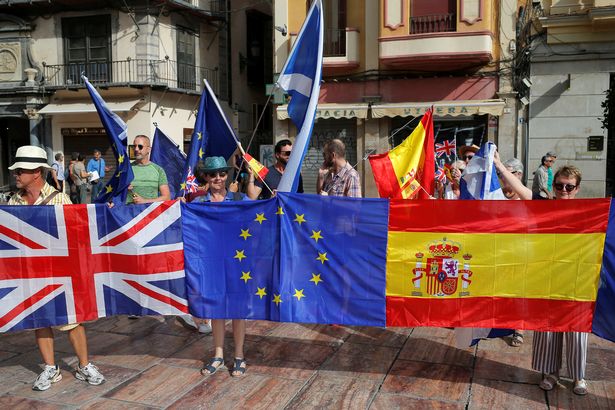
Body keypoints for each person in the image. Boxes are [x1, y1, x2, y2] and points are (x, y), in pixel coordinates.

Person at [7, 145, 105, 391]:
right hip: (30, 272)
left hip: (59, 271)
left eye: (20, 170)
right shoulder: (13, 201)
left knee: (72, 319)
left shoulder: (59, 199)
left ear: (36, 173)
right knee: (40, 319)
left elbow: (78, 234)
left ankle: (84, 365)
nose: (16, 174)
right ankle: (51, 368)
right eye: (16, 170)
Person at [495, 161, 589, 395]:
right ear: (553, 186)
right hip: (546, 277)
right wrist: (498, 164)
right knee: (547, 328)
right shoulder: (543, 205)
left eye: (569, 187)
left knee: (577, 330)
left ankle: (579, 376)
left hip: (577, 278)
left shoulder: (588, 211)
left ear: (577, 188)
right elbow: (520, 190)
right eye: (559, 186)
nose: (563, 191)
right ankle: (550, 373)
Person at [194, 156, 249, 377]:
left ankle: (238, 356)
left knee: (237, 310)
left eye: (222, 173)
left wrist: (274, 201)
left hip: (237, 263)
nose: (218, 178)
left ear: (227, 175)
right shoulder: (198, 204)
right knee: (216, 310)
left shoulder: (239, 198)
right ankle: (218, 356)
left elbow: (259, 216)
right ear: (206, 177)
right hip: (211, 263)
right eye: (213, 174)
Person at [126, 135, 171, 204]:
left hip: (150, 213)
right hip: (130, 212)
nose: (136, 149)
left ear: (148, 149)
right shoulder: (126, 169)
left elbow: (167, 197)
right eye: (134, 146)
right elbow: (116, 194)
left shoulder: (158, 170)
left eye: (140, 146)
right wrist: (124, 189)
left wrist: (145, 201)